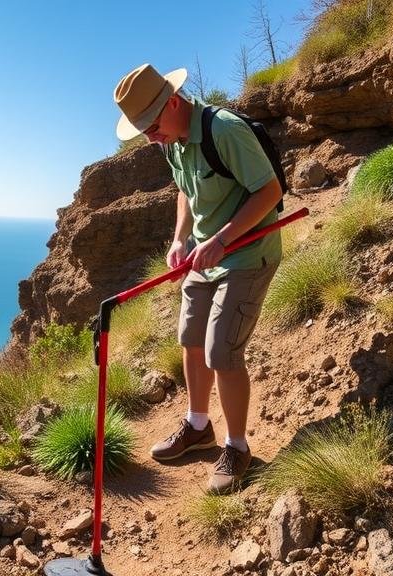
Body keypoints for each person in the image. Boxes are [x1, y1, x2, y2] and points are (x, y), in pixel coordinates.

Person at [113, 63, 283, 494]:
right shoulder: (171, 141)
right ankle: (198, 425)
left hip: (246, 255)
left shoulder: (224, 130)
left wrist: (223, 240)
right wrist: (180, 238)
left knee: (221, 351)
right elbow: (185, 191)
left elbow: (270, 192)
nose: (150, 138)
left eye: (151, 126)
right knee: (190, 339)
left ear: (173, 102)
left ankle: (237, 447)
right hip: (204, 256)